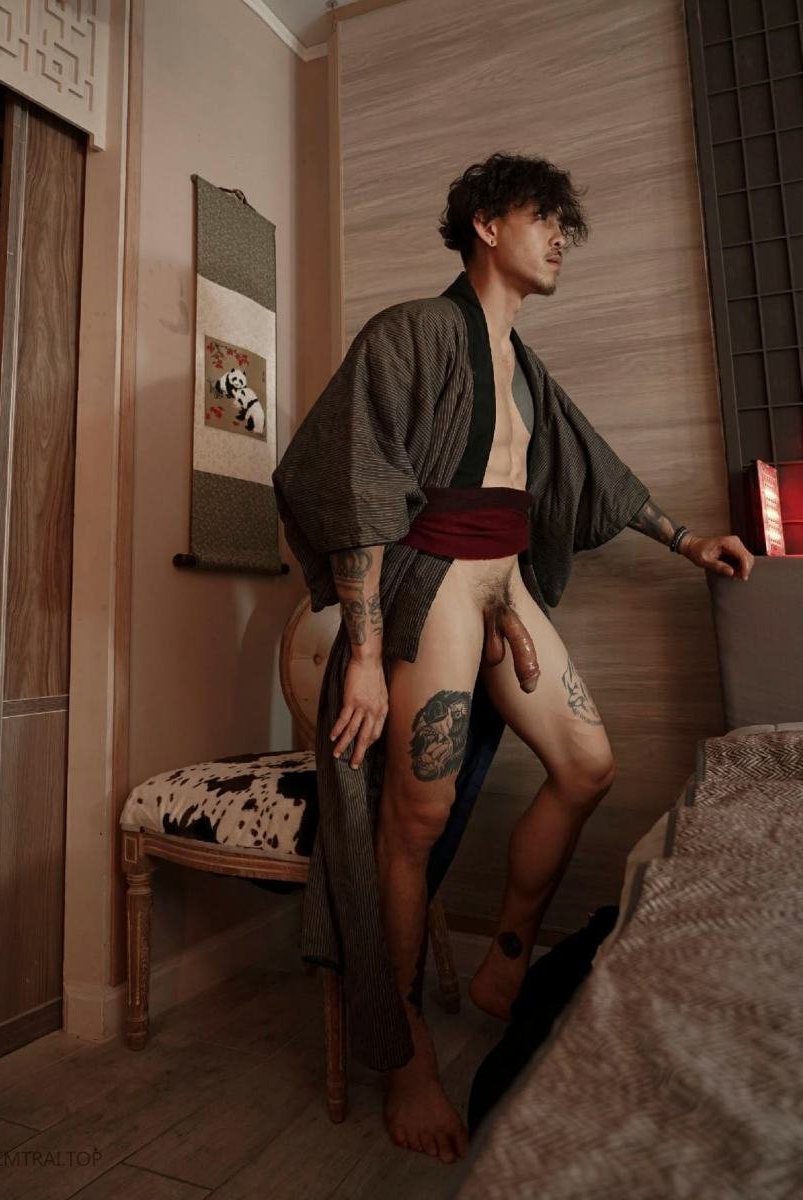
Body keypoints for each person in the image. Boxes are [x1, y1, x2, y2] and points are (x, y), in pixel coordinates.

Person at [271, 151, 755, 1166]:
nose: (561, 237)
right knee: (415, 820)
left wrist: (688, 542)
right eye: (545, 219)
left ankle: (503, 958)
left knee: (587, 767)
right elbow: (355, 479)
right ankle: (404, 1049)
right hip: (433, 583)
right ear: (487, 226)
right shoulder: (410, 331)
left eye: (564, 225)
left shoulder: (523, 366)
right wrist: (364, 653)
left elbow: (592, 468)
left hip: (505, 586)